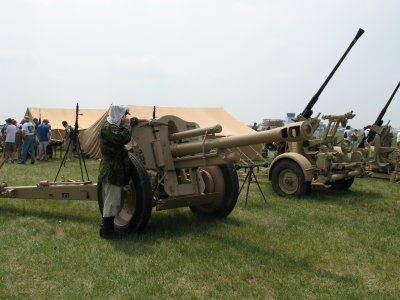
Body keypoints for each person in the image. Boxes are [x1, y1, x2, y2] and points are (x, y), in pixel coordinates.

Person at [98, 105, 144, 239]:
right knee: (112, 203)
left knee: (115, 202)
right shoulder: (108, 128)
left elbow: (126, 127)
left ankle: (105, 228)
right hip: (111, 170)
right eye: (123, 115)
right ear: (118, 115)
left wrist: (137, 120)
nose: (125, 118)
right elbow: (121, 138)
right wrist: (129, 125)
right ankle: (107, 233)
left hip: (117, 169)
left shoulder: (115, 125)